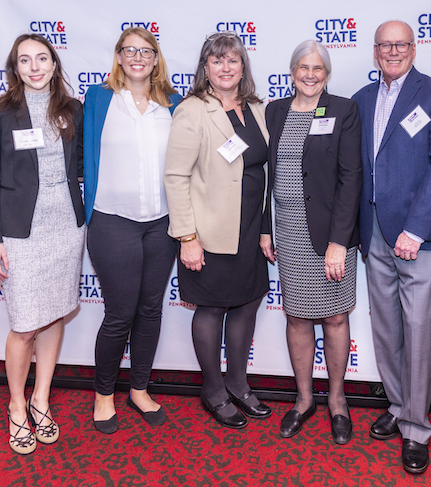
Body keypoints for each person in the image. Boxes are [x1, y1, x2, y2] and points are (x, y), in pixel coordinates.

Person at [352, 20, 431, 473]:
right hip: (373, 230)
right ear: (375, 51)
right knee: (387, 330)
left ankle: (417, 428)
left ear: (414, 49)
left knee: (418, 331)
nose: (392, 51)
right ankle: (398, 407)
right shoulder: (361, 100)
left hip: (419, 236)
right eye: (384, 45)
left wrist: (415, 230)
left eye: (400, 44)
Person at [0, 34, 85, 454]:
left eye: (42, 58)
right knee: (24, 325)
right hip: (19, 231)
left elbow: (80, 167)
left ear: (54, 64)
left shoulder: (71, 109)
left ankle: (41, 399)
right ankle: (17, 406)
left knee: (55, 311)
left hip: (66, 226)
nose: (35, 67)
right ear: (15, 68)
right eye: (25, 61)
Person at [164, 32, 270, 429]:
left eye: (233, 61)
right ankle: (212, 390)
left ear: (243, 67)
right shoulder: (193, 110)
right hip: (208, 231)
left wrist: (265, 229)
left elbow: (264, 169)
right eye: (217, 61)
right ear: (205, 68)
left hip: (250, 229)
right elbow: (175, 177)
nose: (226, 68)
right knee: (211, 309)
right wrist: (188, 238)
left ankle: (238, 384)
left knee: (246, 303)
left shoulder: (257, 109)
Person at [261, 40, 361, 444]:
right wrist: (266, 227)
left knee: (336, 318)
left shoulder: (343, 110)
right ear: (292, 71)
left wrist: (339, 241)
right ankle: (304, 400)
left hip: (331, 234)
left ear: (327, 74)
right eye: (303, 67)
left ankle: (337, 400)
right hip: (288, 231)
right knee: (298, 318)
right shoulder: (275, 111)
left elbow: (351, 178)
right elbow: (267, 175)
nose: (310, 74)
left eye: (318, 68)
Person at [84, 27, 181, 434]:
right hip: (111, 221)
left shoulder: (173, 104)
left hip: (162, 224)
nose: (138, 57)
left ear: (156, 58)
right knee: (119, 314)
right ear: (119, 56)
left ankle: (139, 389)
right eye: (130, 51)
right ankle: (103, 394)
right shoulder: (98, 99)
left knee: (150, 309)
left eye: (147, 51)